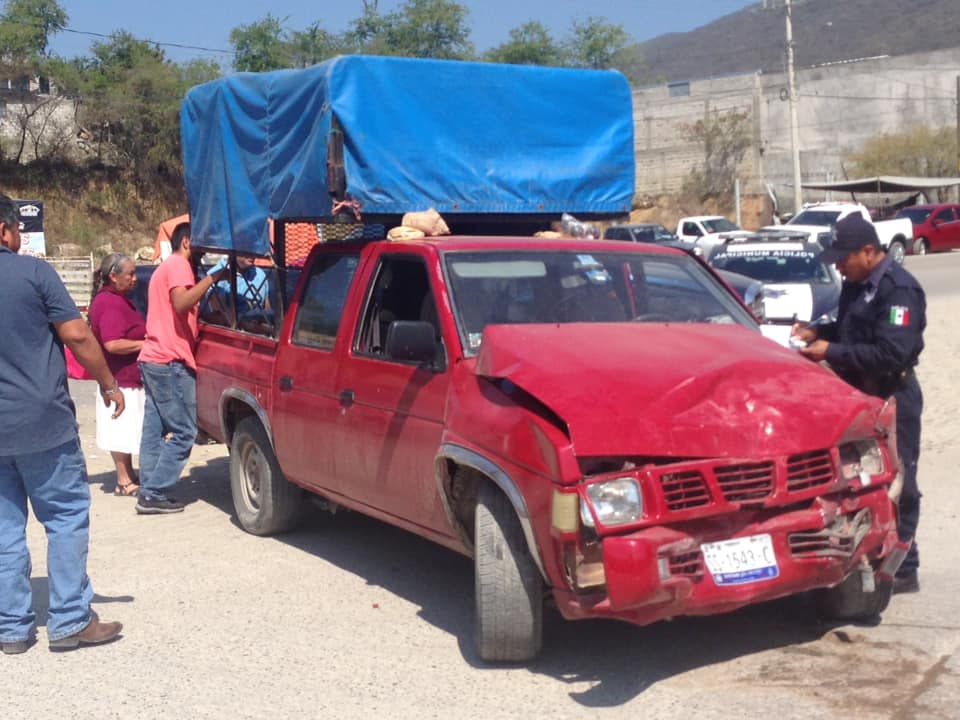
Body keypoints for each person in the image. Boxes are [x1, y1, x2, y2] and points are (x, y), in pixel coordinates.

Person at [0, 193, 125, 654]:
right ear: (3, 230)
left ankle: (12, 629)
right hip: (42, 423)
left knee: (3, 529)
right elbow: (77, 333)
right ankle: (70, 619)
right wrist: (108, 383)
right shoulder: (33, 272)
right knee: (66, 516)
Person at [791, 213, 925, 594]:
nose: (836, 265)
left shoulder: (899, 290)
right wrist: (819, 332)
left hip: (892, 396)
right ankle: (865, 554)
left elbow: (890, 352)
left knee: (901, 483)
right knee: (858, 479)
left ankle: (903, 567)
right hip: (860, 396)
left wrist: (829, 350)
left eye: (842, 257)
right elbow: (852, 329)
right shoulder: (856, 282)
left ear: (869, 252)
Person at [136, 223, 228, 515]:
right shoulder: (178, 266)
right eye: (201, 248)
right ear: (187, 242)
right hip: (170, 360)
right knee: (185, 431)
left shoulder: (165, 268)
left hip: (153, 357)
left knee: (154, 428)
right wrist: (213, 277)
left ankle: (148, 486)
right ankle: (154, 492)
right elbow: (180, 303)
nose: (204, 255)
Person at [88, 253, 147, 496]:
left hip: (126, 376)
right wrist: (145, 344)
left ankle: (128, 474)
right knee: (121, 428)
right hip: (119, 378)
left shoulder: (117, 299)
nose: (135, 279)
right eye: (130, 274)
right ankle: (124, 480)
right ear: (113, 276)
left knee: (128, 428)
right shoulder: (109, 303)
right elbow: (112, 343)